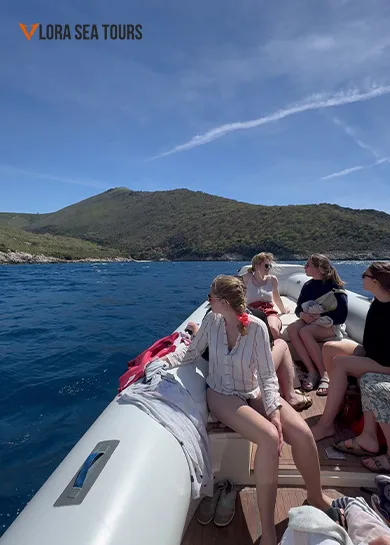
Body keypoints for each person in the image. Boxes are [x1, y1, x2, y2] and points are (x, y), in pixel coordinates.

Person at [178, 275, 338, 545]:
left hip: (252, 389)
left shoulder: (255, 327)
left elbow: (266, 375)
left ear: (225, 302)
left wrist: (275, 413)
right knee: (269, 437)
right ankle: (268, 530)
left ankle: (316, 495)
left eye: (211, 297)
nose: (208, 301)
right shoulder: (211, 321)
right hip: (220, 394)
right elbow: (191, 353)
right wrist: (158, 362)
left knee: (301, 432)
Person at [311, 262, 390, 443]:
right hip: (373, 353)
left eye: (365, 275)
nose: (362, 277)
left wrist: (364, 358)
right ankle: (338, 403)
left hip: (385, 362)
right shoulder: (377, 301)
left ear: (376, 282)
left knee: (340, 363)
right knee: (330, 348)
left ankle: (326, 425)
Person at [286, 254, 348, 392]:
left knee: (305, 332)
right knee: (292, 329)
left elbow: (341, 316)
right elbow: (298, 307)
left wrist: (320, 315)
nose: (305, 267)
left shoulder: (334, 287)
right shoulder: (308, 286)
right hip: (311, 321)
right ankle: (311, 371)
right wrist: (302, 314)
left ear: (320, 268)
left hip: (330, 324)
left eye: (308, 265)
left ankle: (324, 373)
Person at [242, 252, 289, 340]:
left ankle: (277, 349)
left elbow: (276, 297)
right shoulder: (247, 278)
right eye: (267, 266)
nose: (269, 268)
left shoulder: (272, 279)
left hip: (268, 311)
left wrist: (283, 310)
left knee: (273, 329)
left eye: (270, 266)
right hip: (252, 312)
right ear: (257, 266)